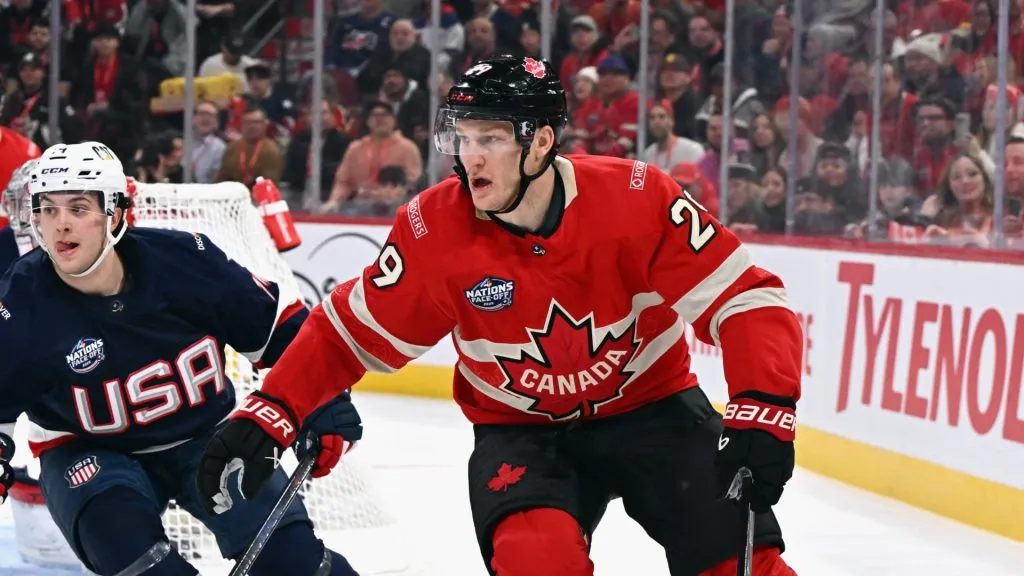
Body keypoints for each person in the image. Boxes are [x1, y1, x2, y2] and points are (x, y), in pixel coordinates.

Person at [197, 55, 803, 576]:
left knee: (740, 563)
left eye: (490, 138)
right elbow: (345, 336)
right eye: (463, 136)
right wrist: (274, 408)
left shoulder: (636, 199)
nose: (470, 157)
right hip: (524, 432)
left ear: (540, 142)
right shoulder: (434, 228)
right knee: (535, 561)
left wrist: (765, 401)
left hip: (654, 410)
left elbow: (746, 298)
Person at [0, 141, 364, 576]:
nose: (59, 225)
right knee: (139, 562)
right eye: (48, 209)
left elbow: (282, 334)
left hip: (209, 434)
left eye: (78, 208)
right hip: (87, 450)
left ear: (116, 213)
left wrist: (320, 400)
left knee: (294, 563)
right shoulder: (19, 303)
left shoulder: (186, 261)